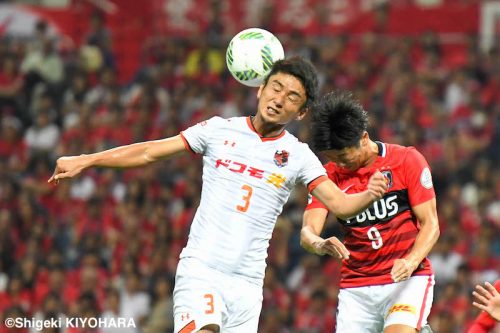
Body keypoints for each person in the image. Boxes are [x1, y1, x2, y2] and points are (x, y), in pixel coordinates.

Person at [48, 57, 388, 333]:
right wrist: (88, 159)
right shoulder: (217, 130)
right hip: (203, 272)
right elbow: (151, 151)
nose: (279, 98)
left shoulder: (298, 156)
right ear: (260, 90)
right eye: (275, 87)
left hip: (248, 287)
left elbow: (340, 204)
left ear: (300, 113)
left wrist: (370, 194)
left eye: (292, 97)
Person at [301, 90, 440, 333]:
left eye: (344, 156)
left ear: (364, 138)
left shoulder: (406, 160)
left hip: (405, 280)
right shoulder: (329, 176)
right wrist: (319, 244)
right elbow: (308, 232)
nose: (341, 164)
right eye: (333, 158)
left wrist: (411, 261)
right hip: (356, 288)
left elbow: (431, 224)